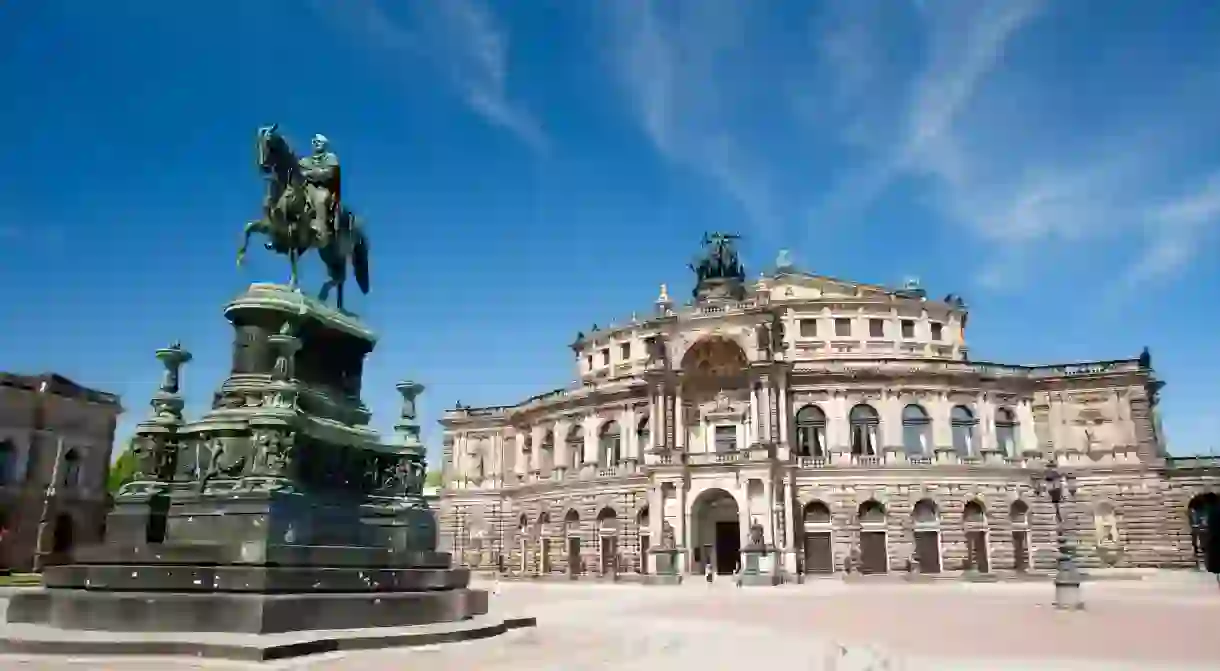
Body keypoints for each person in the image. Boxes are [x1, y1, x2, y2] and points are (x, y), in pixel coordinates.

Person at [298, 134, 341, 247]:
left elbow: (328, 174)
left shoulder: (331, 157)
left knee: (320, 199)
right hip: (307, 188)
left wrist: (309, 173)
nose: (316, 144)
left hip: (324, 189)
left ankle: (321, 231)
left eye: (319, 142)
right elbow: (297, 173)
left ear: (324, 145)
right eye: (314, 142)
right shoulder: (304, 161)